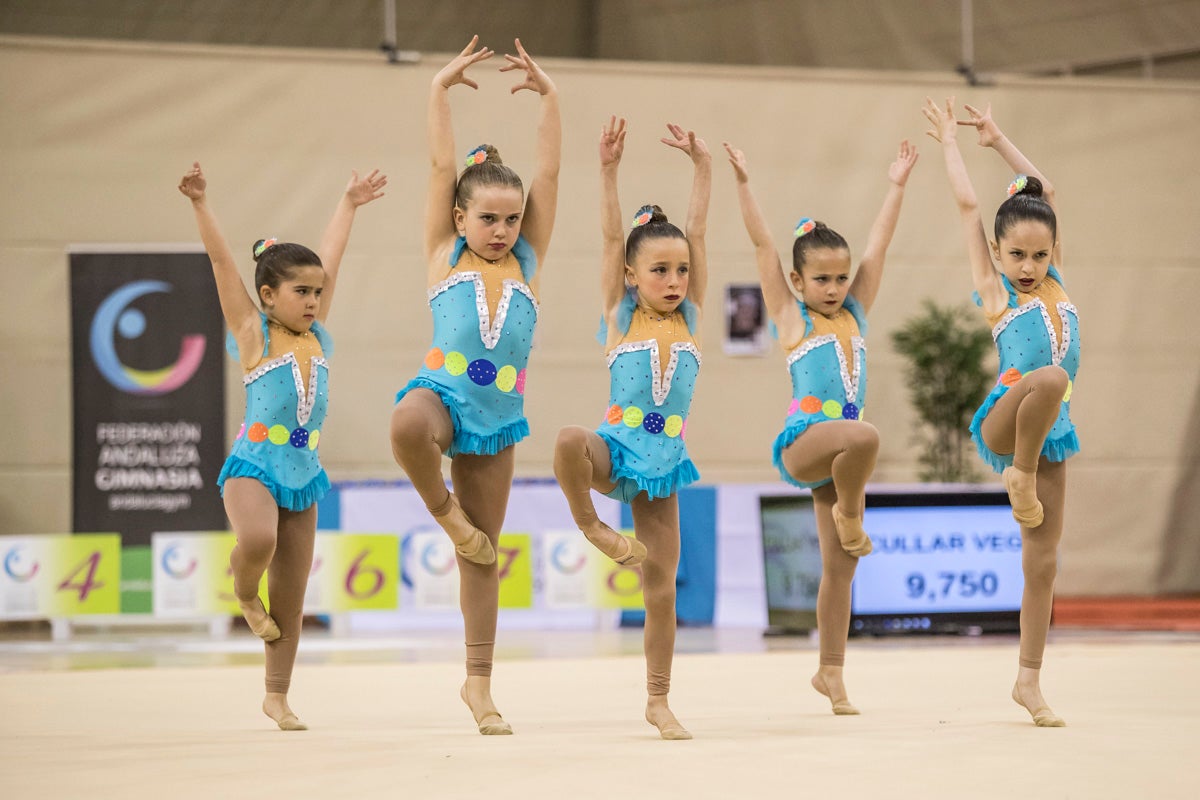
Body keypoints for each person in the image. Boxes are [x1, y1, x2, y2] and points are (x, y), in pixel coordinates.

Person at [389, 36, 560, 736]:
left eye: (510, 219)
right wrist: (437, 89)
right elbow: (439, 165)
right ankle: (443, 511)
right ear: (460, 219)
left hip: (496, 418)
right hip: (443, 395)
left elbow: (548, 177)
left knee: (483, 554)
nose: (500, 229)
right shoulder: (443, 252)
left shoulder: (528, 262)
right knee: (405, 424)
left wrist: (552, 99)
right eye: (487, 218)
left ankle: (479, 684)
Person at [178, 160, 386, 730]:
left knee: (291, 593)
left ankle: (277, 695)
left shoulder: (316, 334)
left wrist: (349, 203)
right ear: (267, 296)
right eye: (301, 292)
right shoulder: (254, 331)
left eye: (318, 292)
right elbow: (223, 263)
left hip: (303, 471)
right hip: (254, 464)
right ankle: (244, 592)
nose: (315, 300)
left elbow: (331, 258)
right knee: (258, 538)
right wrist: (200, 201)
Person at [725, 138, 917, 716]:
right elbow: (761, 242)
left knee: (841, 566)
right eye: (823, 280)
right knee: (864, 434)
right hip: (807, 444)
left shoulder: (854, 313)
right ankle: (852, 515)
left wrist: (897, 185)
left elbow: (880, 246)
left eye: (840, 278)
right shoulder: (791, 317)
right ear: (797, 279)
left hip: (840, 460)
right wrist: (743, 182)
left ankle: (830, 672)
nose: (834, 289)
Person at [922, 97, 1078, 727]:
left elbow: (1048, 191)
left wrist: (997, 138)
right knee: (1048, 376)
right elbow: (967, 206)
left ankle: (1029, 681)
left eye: (1040, 256)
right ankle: (1017, 472)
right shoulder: (995, 289)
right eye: (1017, 256)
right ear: (997, 251)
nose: (1029, 268)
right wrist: (953, 146)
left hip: (1052, 431)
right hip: (1006, 418)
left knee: (1042, 560)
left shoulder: (1055, 279)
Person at [553, 117, 710, 740]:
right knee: (567, 438)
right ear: (630, 276)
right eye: (659, 271)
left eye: (680, 271)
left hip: (664, 461)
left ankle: (658, 698)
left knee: (661, 587)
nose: (673, 281)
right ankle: (589, 522)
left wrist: (702, 168)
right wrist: (608, 171)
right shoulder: (619, 318)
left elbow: (696, 231)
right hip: (614, 447)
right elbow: (612, 235)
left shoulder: (692, 318)